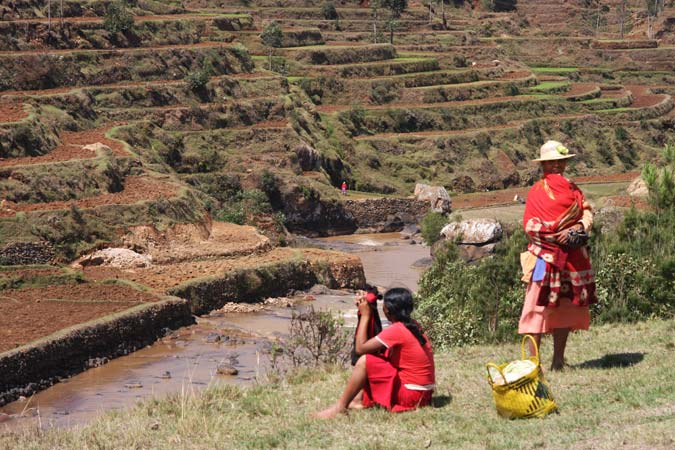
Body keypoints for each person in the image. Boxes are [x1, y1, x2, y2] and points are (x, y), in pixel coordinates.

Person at [519, 140, 597, 371]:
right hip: (544, 259)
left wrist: (577, 229)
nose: (556, 165)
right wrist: (556, 235)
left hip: (572, 259)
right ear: (543, 165)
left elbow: (586, 212)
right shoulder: (536, 191)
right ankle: (533, 364)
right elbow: (530, 225)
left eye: (560, 161)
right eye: (551, 161)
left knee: (565, 308)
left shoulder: (574, 189)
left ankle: (558, 361)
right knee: (536, 307)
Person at [314, 288, 435, 419]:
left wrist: (366, 315)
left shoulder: (396, 330)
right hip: (424, 395)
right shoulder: (413, 325)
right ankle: (357, 400)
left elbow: (360, 348)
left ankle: (340, 407)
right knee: (379, 357)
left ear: (387, 310)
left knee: (365, 361)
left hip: (411, 396)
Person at [350, 284, 383, 366]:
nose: (356, 297)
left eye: (360, 294)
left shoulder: (369, 312)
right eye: (356, 294)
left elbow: (371, 298)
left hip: (367, 357)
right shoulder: (363, 312)